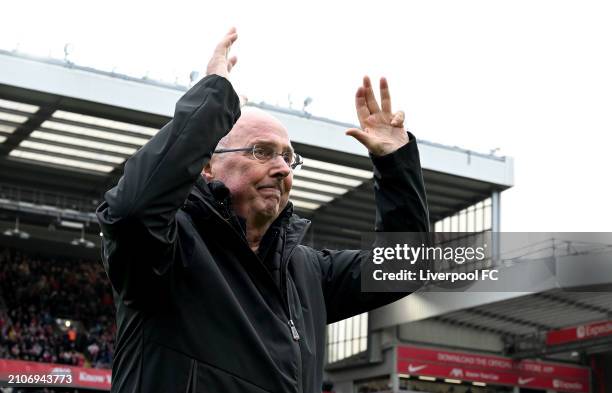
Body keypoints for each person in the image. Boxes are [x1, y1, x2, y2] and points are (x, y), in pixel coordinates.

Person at [97, 28, 429, 393]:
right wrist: (213, 102)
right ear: (207, 165)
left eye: (288, 157)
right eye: (262, 152)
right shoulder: (169, 248)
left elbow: (403, 266)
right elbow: (130, 212)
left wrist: (396, 165)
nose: (283, 168)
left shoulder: (307, 272)